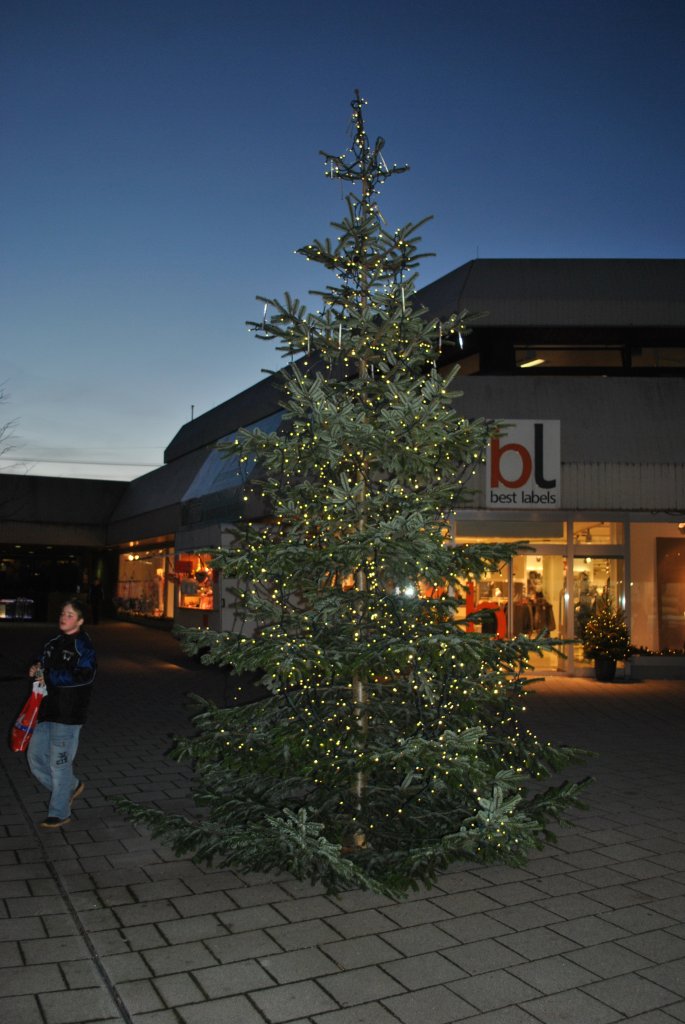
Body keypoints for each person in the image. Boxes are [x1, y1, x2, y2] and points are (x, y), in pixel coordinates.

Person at [27, 598, 97, 829]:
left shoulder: (84, 646)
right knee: (35, 758)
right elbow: (42, 661)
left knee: (59, 764)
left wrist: (49, 676)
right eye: (62, 613)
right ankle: (71, 787)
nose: (63, 617)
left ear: (80, 620)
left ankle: (59, 812)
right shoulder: (53, 642)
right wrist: (36, 667)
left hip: (68, 713)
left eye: (69, 614)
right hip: (46, 710)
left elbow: (84, 676)